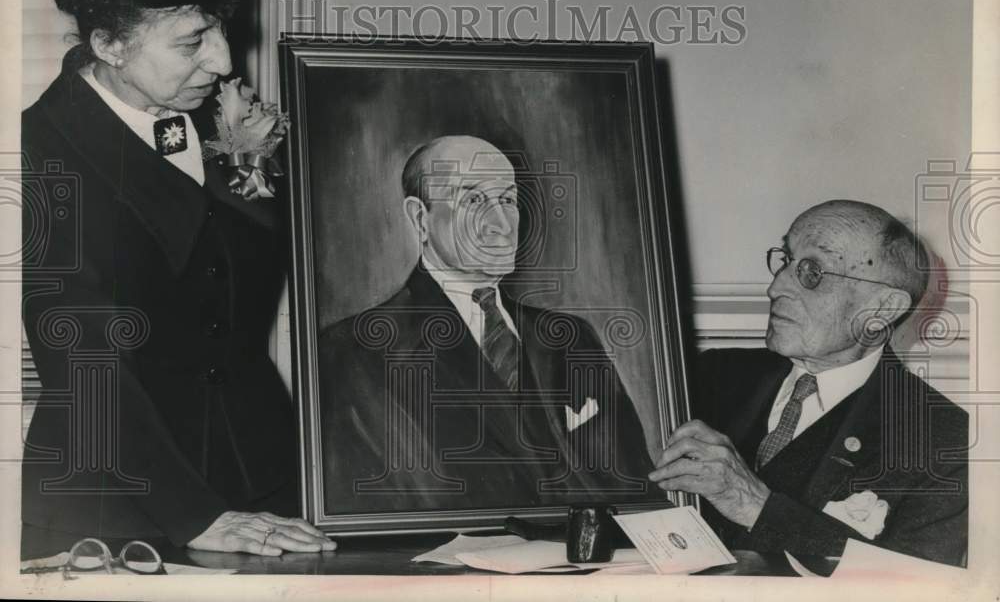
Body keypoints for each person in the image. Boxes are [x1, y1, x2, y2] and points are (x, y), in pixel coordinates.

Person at [21, 0, 335, 558]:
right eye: (193, 40)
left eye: (222, 26)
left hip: (267, 486)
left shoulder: (226, 120)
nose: (224, 61)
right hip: (117, 507)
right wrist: (194, 514)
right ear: (108, 43)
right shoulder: (37, 152)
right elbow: (81, 360)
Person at [318, 135, 661, 512]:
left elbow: (638, 492)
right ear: (420, 218)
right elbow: (368, 513)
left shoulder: (573, 339)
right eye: (473, 200)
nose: (500, 224)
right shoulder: (353, 352)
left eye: (508, 200)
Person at [649, 200, 967, 566]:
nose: (775, 287)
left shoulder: (944, 441)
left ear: (882, 310)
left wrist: (756, 506)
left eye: (812, 271)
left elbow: (918, 588)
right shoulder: (711, 374)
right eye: (785, 260)